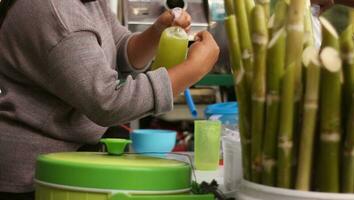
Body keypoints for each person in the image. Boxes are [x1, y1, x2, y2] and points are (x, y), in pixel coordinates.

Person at [0, 0, 220, 199]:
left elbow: (119, 48)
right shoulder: (58, 14)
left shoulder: (88, 3)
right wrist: (193, 70)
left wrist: (156, 33)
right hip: (33, 176)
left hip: (71, 159)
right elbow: (108, 102)